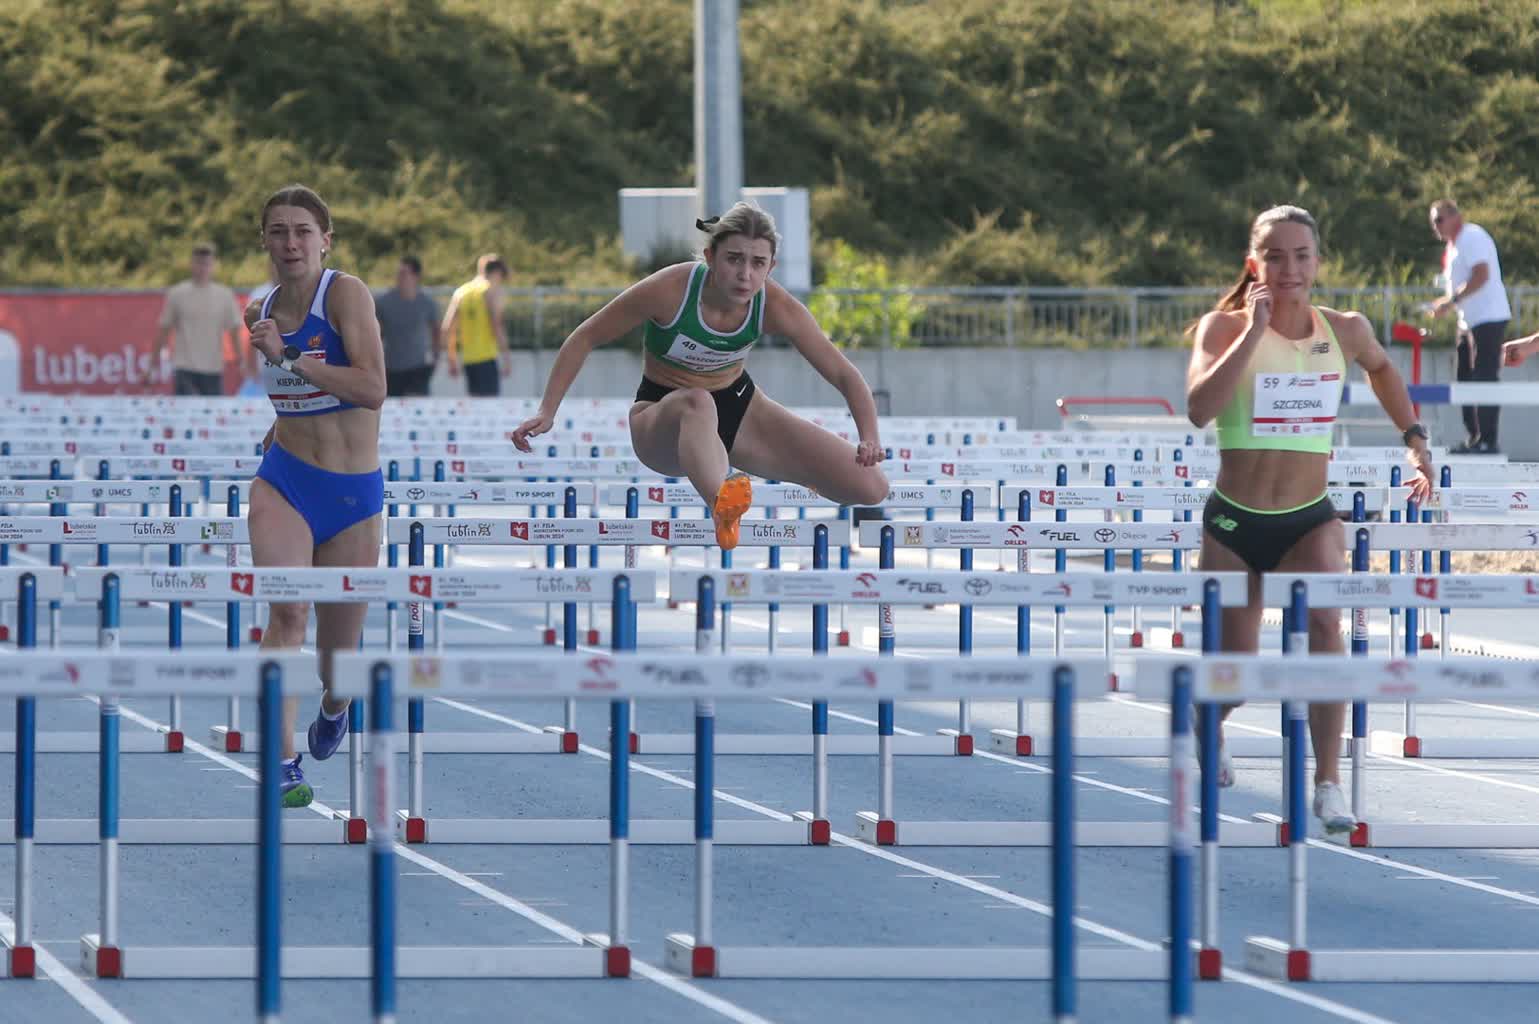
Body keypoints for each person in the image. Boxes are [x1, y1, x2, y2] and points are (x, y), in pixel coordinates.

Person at [1185, 204, 1434, 834]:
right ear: (1254, 263)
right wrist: (1252, 332)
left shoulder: (1343, 329)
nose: (1289, 267)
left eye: (1301, 255)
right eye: (1275, 255)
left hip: (1309, 518)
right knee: (1233, 672)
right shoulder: (1221, 328)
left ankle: (1327, 781)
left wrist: (1414, 437)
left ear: (1317, 263)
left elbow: (1381, 367)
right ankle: (1209, 722)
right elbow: (1198, 409)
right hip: (1236, 524)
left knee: (1328, 627)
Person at [511, 202, 888, 550]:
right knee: (697, 401)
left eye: (758, 263)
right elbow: (586, 336)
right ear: (710, 257)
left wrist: (868, 436)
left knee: (871, 487)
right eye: (734, 259)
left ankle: (761, 473)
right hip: (662, 417)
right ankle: (722, 503)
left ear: (771, 268)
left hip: (739, 410)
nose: (744, 275)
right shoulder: (671, 290)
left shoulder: (777, 306)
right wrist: (548, 410)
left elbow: (843, 372)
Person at [245, 184, 387, 808]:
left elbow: (372, 387)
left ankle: (335, 705)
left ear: (324, 240)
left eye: (303, 230)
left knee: (338, 661)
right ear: (266, 242)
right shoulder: (258, 311)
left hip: (353, 497)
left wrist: (293, 357)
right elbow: (288, 391)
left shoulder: (346, 293)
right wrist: (279, 424)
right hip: (286, 482)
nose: (291, 242)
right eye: (279, 231)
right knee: (287, 615)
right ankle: (279, 761)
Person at [1429, 200, 1511, 454]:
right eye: (1433, 222)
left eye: (1439, 220)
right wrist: (1448, 305)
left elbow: (1481, 275)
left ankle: (1488, 440)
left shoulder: (1471, 236)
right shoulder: (1454, 247)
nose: (1436, 227)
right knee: (1464, 379)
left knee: (1484, 377)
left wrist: (1451, 300)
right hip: (1469, 322)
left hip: (1488, 319)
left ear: (1456, 217)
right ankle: (1475, 437)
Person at [154, 242, 243, 396]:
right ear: (191, 264)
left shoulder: (224, 295)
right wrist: (152, 363)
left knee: (213, 417)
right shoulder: (177, 294)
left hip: (213, 369)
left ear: (213, 265)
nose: (202, 268)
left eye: (206, 263)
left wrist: (241, 360)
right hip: (185, 368)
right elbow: (164, 330)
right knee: (184, 416)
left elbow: (234, 330)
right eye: (199, 263)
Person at [442, 254, 509, 397]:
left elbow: (448, 328)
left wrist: (452, 359)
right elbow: (497, 326)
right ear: (497, 272)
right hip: (487, 358)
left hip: (468, 360)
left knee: (475, 406)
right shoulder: (490, 291)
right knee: (490, 409)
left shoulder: (461, 292)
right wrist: (506, 358)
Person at [376, 256, 442, 397]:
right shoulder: (384, 302)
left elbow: (436, 329)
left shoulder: (427, 303)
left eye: (404, 273)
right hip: (392, 367)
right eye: (399, 273)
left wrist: (436, 355)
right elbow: (376, 333)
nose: (400, 277)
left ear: (416, 276)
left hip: (419, 367)